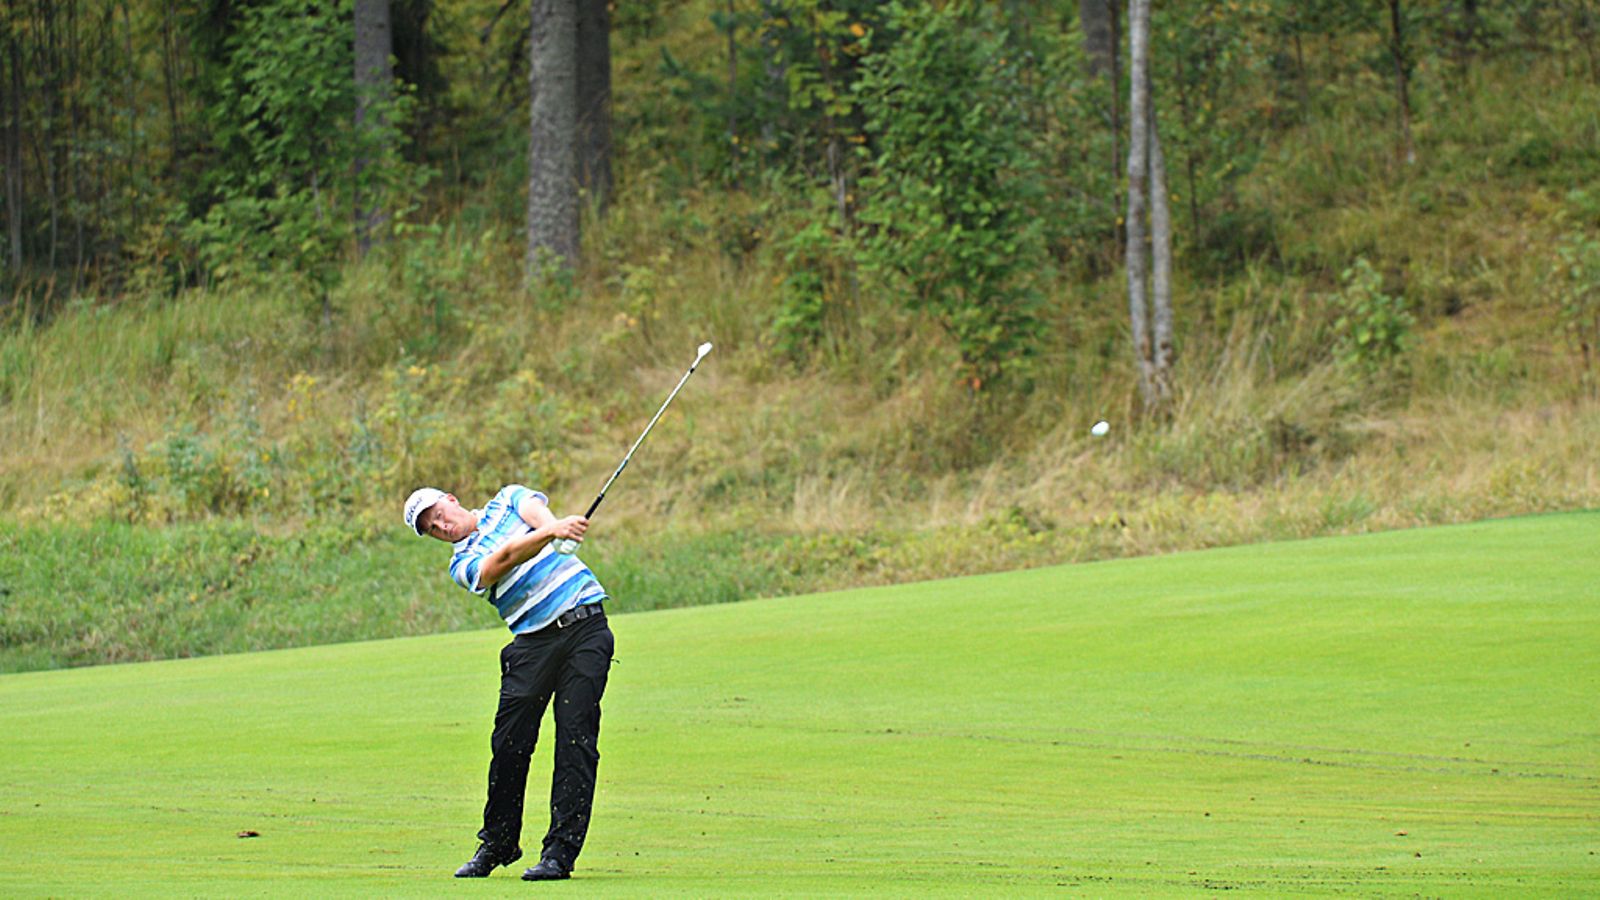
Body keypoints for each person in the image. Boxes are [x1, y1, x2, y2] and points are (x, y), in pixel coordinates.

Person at [403, 484, 613, 882]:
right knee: (509, 745)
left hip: (585, 627)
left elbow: (533, 511)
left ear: (450, 498)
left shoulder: (507, 498)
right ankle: (499, 844)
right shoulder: (463, 562)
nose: (441, 526)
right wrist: (552, 535)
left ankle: (559, 854)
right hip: (533, 645)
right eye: (432, 528)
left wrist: (556, 527)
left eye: (438, 514)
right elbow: (503, 558)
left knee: (575, 739)